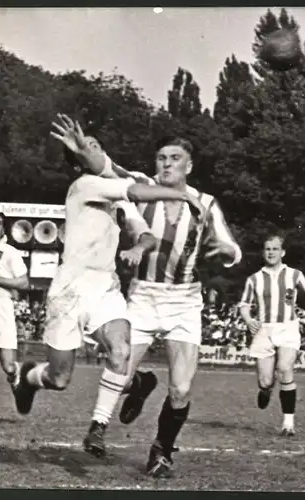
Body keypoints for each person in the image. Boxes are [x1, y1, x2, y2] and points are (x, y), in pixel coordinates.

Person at [13, 115, 205, 459]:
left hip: (105, 288)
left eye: (98, 146)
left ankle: (98, 428)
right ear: (80, 163)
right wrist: (182, 195)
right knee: (60, 379)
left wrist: (137, 247)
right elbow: (135, 188)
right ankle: (29, 376)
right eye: (89, 149)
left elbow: (145, 234)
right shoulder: (85, 185)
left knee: (120, 350)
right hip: (69, 292)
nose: (97, 152)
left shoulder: (118, 199)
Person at [77, 131, 242, 477]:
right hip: (143, 297)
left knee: (181, 388)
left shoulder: (206, 203)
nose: (167, 164)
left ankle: (162, 451)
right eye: (162, 158)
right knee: (119, 379)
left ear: (189, 165)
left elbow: (232, 247)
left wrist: (226, 251)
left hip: (184, 302)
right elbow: (107, 167)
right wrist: (85, 149)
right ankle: (139, 384)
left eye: (175, 158)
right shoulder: (141, 186)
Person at [239, 234, 305, 436]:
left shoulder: (294, 275)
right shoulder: (254, 279)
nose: (271, 252)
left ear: (282, 252)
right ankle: (265, 389)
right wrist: (249, 319)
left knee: (285, 369)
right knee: (265, 380)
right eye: (267, 249)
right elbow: (244, 304)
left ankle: (288, 424)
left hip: (288, 327)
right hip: (264, 330)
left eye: (275, 249)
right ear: (263, 252)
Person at [0, 211, 29, 426]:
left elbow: (23, 283)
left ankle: (17, 381)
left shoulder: (9, 252)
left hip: (1, 308)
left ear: (3, 229)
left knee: (8, 365)